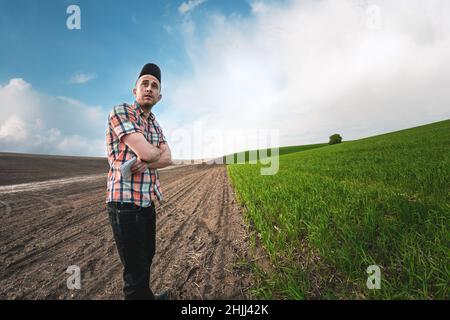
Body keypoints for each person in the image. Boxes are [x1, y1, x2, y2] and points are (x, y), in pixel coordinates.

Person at [105, 63, 172, 300]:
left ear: (159, 96)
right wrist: (152, 153)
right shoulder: (122, 111)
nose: (149, 88)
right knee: (134, 270)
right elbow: (156, 153)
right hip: (124, 203)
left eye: (154, 86)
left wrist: (147, 157)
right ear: (135, 90)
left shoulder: (154, 123)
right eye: (145, 83)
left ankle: (147, 297)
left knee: (146, 257)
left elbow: (167, 158)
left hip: (146, 201)